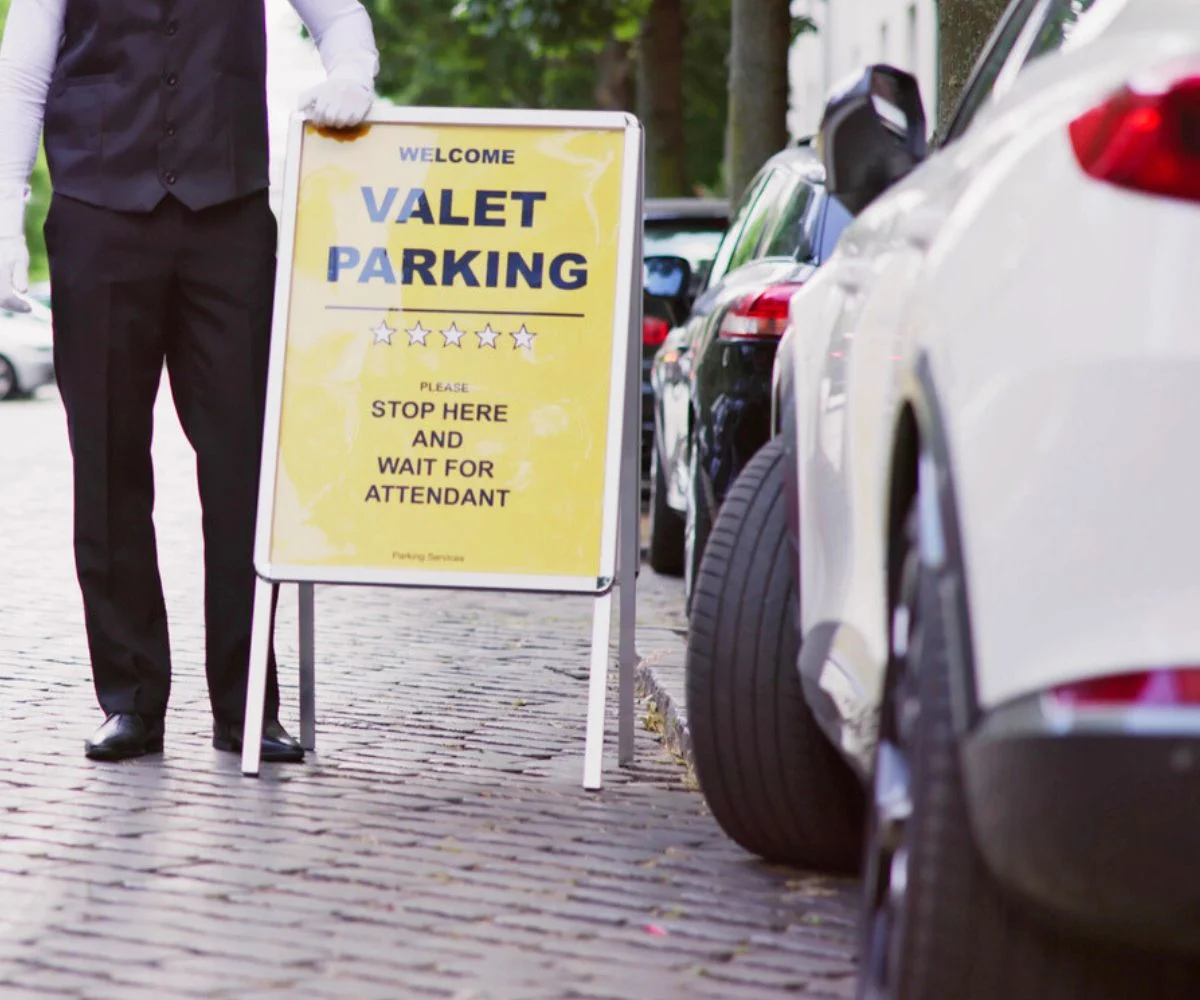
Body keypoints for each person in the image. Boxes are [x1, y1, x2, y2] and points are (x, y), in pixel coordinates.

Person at [0, 0, 380, 762]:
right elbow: (21, 76)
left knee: (244, 468)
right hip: (96, 221)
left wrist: (354, 69)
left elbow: (341, 16)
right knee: (106, 469)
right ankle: (131, 699)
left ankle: (248, 707)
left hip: (229, 220)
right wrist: (4, 213)